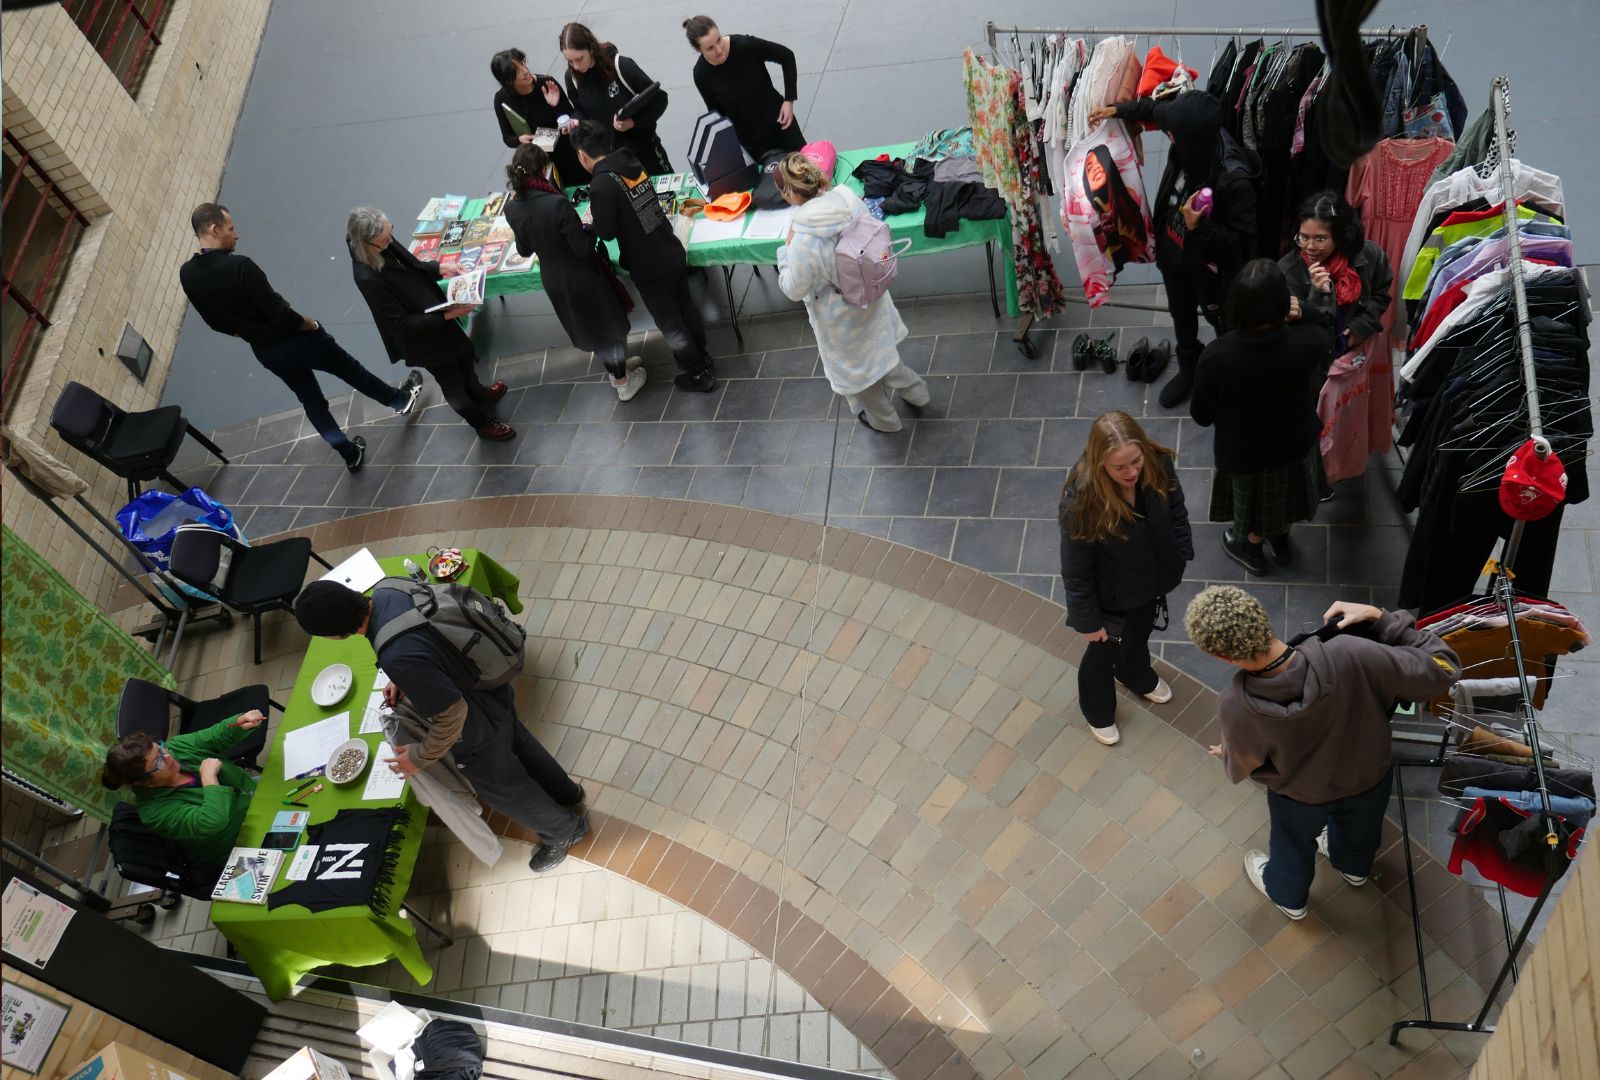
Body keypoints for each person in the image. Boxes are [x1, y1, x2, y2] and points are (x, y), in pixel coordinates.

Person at [1185, 586, 1460, 920]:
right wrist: (1380, 617)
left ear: (1223, 657)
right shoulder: (1351, 652)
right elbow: (1443, 668)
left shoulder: (1236, 706)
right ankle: (1354, 868)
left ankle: (1289, 897)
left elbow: (1242, 767)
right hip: (1368, 774)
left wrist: (1228, 751)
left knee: (1290, 845)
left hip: (1300, 796)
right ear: (1261, 618)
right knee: (1362, 829)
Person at [294, 581, 589, 872]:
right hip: (489, 687)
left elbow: (452, 716)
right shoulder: (388, 589)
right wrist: (403, 679)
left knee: (506, 786)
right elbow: (430, 638)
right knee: (519, 742)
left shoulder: (397, 655)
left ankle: (564, 832)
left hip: (477, 724)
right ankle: (567, 793)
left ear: (335, 634)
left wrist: (419, 756)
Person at [179, 204, 421, 473]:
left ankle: (348, 452)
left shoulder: (187, 274)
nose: (236, 235)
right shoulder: (240, 266)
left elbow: (215, 324)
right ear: (214, 229)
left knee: (310, 399)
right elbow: (279, 312)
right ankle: (400, 400)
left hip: (266, 352)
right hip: (299, 339)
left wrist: (250, 332)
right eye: (231, 228)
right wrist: (310, 324)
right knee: (350, 370)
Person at [1089, 92, 1259, 408]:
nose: (1167, 134)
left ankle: (1226, 379)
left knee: (1223, 324)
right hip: (1173, 252)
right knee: (1180, 314)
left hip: (1208, 267)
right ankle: (1188, 369)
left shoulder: (1234, 178)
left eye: (1172, 133)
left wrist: (1200, 227)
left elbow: (1241, 238)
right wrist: (1118, 110)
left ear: (1192, 137)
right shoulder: (1191, 136)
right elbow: (1156, 109)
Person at [1059, 412, 1193, 745]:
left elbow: (1175, 506)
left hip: (1150, 583)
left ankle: (1134, 673)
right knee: (1101, 653)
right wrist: (1088, 621)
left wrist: (1181, 549)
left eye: (1136, 461)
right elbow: (1076, 570)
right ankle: (1097, 709)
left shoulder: (1157, 464)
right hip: (1112, 596)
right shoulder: (1084, 503)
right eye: (1120, 467)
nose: (1132, 472)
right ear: (1099, 461)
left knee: (1140, 633)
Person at [772, 153, 929, 431]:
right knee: (886, 357)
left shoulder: (803, 240)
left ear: (791, 194)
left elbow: (794, 289)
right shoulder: (846, 198)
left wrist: (785, 252)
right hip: (872, 295)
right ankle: (917, 394)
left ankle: (885, 422)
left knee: (861, 375)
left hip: (840, 318)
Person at [1190, 259, 1327, 576]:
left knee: (1253, 508)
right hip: (1295, 443)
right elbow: (1322, 326)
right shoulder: (1307, 342)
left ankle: (1251, 549)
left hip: (1245, 453)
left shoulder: (1217, 356)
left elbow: (1201, 414)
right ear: (1284, 304)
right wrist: (1303, 310)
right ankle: (1280, 543)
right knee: (1287, 498)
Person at [345, 208, 515, 441]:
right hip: (422, 338)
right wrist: (447, 315)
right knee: (452, 383)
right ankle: (481, 423)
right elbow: (400, 323)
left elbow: (412, 265)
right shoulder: (368, 278)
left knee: (465, 354)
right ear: (368, 242)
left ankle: (478, 392)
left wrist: (439, 268)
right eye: (385, 237)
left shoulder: (381, 243)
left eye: (390, 231)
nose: (390, 238)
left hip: (434, 315)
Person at [573, 120, 717, 393]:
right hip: (669, 247)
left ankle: (697, 373)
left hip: (647, 264)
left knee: (670, 323)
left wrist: (591, 223)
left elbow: (606, 232)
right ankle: (703, 357)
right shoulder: (629, 160)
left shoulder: (601, 184)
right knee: (686, 307)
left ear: (582, 155)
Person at [504, 145, 646, 401]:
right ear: (544, 169)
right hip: (582, 277)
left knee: (592, 332)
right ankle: (624, 383)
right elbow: (581, 249)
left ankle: (618, 370)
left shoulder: (512, 208)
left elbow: (523, 250)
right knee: (608, 331)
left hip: (555, 280)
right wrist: (588, 228)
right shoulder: (556, 204)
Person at [100, 710, 267, 866]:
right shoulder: (155, 814)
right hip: (243, 841)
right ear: (143, 782)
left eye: (160, 748)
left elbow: (216, 736)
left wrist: (240, 722)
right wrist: (209, 777)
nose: (168, 756)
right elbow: (211, 821)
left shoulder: (176, 748)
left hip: (255, 793)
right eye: (158, 762)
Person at [1279, 191, 1393, 355]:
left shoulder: (1369, 255)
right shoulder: (1287, 270)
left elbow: (1381, 295)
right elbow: (1299, 328)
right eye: (1304, 237)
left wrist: (1362, 325)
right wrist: (1317, 294)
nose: (1310, 246)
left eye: (1320, 239)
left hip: (1355, 356)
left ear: (1340, 236)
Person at [683, 15, 805, 161]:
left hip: (781, 126)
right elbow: (716, 113)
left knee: (806, 173)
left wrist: (789, 100)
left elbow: (787, 57)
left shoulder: (746, 45)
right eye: (710, 48)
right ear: (698, 50)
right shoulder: (701, 74)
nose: (719, 49)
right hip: (751, 144)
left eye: (718, 40)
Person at [559, 22, 672, 176]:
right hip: (610, 159)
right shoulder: (572, 77)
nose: (576, 66)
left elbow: (659, 99)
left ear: (591, 49)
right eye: (570, 61)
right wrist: (575, 121)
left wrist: (633, 122)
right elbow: (580, 110)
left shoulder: (621, 66)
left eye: (579, 59)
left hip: (644, 152)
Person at [491, 47, 589, 187]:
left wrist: (555, 106)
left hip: (566, 152)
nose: (525, 71)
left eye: (523, 63)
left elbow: (571, 116)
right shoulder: (502, 99)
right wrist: (520, 140)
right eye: (517, 72)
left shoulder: (547, 83)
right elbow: (507, 138)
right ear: (508, 81)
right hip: (540, 163)